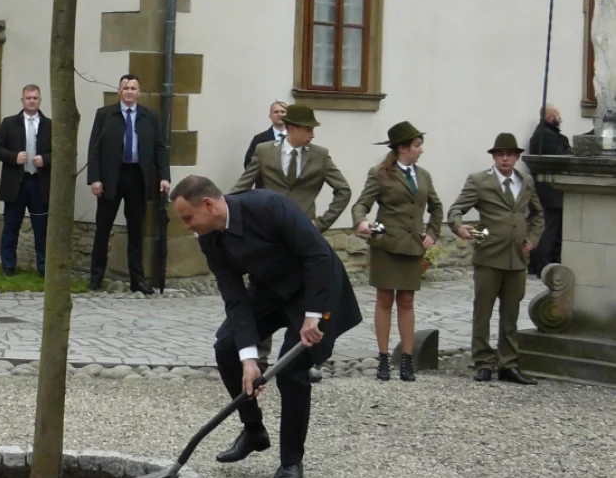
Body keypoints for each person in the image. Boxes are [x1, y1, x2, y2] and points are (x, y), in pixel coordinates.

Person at [169, 175, 362, 478]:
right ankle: (254, 429)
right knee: (228, 347)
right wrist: (249, 358)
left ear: (207, 204)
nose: (186, 226)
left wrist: (312, 315)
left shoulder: (268, 206)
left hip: (316, 289)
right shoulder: (210, 239)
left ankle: (291, 461)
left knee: (291, 370)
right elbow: (235, 299)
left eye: (188, 218)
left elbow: (317, 255)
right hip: (270, 291)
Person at [230, 103, 351, 376]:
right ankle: (257, 361)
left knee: (303, 299)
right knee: (260, 296)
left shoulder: (320, 156)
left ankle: (302, 360)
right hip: (268, 241)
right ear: (291, 129)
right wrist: (234, 217)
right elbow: (242, 187)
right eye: (308, 129)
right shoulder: (264, 152)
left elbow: (343, 190)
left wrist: (320, 224)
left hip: (303, 241)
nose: (313, 135)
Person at [447, 133, 544, 385]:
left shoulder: (525, 182)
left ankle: (508, 364)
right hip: (489, 256)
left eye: (509, 154)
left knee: (510, 314)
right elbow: (456, 209)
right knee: (483, 312)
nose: (504, 158)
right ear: (493, 156)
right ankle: (483, 362)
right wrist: (459, 227)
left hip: (516, 258)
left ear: (516, 157)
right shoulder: (480, 181)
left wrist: (532, 239)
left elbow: (538, 215)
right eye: (500, 154)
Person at [351, 121, 443, 382]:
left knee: (406, 301)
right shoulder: (381, 173)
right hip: (387, 245)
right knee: (384, 300)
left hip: (413, 246)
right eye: (417, 145)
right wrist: (362, 222)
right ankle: (382, 359)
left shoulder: (423, 175)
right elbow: (362, 204)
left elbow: (437, 207)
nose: (421, 150)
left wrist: (433, 233)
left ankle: (406, 359)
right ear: (403, 148)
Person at [86, 74, 171, 294]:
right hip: (111, 178)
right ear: (119, 91)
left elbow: (160, 148)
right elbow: (94, 149)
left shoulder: (150, 116)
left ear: (139, 92)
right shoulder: (105, 115)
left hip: (138, 177)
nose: (130, 92)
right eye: (126, 88)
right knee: (103, 229)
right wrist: (95, 178)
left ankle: (137, 279)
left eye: (134, 88)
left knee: (136, 231)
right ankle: (96, 277)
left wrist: (164, 176)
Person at [0, 84, 52, 277]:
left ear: (40, 100)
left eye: (35, 98)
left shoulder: (50, 125)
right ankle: (8, 266)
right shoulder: (10, 123)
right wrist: (14, 157)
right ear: (22, 100)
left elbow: (60, 152)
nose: (32, 101)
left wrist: (45, 159)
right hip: (16, 182)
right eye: (28, 98)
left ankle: (43, 268)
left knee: (42, 229)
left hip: (39, 183)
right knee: (11, 226)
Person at [527, 104, 571, 276]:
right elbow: (560, 160)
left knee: (553, 229)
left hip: (550, 191)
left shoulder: (547, 134)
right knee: (548, 230)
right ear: (550, 117)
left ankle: (549, 263)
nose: (560, 117)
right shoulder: (545, 135)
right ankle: (542, 266)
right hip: (550, 191)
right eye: (557, 114)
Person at [242, 101, 288, 170]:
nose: (279, 114)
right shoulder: (259, 139)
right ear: (270, 116)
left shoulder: (296, 137)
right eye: (276, 112)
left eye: (282, 112)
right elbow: (249, 163)